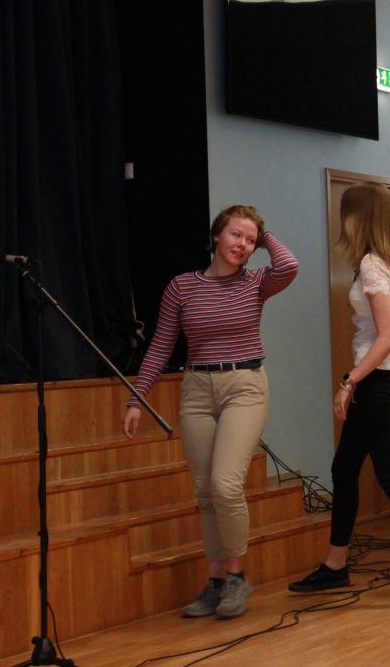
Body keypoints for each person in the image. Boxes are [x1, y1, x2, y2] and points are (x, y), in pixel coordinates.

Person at [123, 205, 298, 619]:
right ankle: (216, 581)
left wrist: (265, 234)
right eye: (236, 235)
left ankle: (237, 577)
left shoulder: (256, 282)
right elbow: (161, 345)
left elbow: (289, 266)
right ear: (216, 235)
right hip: (197, 390)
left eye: (250, 240)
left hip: (245, 386)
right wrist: (137, 398)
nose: (243, 245)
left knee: (225, 485)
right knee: (204, 492)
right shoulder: (182, 287)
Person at [288, 183, 390, 606]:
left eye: (345, 214)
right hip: (388, 374)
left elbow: (385, 336)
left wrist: (350, 382)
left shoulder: (371, 264)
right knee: (345, 468)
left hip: (378, 376)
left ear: (357, 217)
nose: (341, 222)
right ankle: (335, 566)